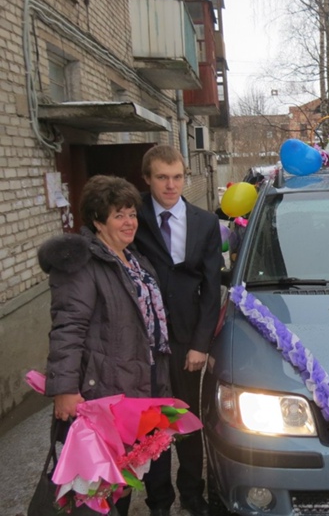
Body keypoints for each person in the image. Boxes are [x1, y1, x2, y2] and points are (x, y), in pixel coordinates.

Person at [38, 175, 171, 516]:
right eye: (118, 215)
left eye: (132, 214)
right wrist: (64, 389)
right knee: (108, 484)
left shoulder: (134, 258)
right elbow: (67, 329)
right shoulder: (83, 265)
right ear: (98, 221)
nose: (129, 222)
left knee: (139, 468)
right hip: (108, 389)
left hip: (145, 380)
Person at [134, 145, 222, 516]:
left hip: (187, 338)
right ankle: (159, 500)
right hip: (144, 339)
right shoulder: (133, 216)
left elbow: (212, 287)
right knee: (151, 423)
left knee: (186, 420)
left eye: (177, 177)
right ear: (147, 179)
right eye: (162, 178)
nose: (171, 186)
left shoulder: (204, 222)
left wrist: (201, 343)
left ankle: (191, 492)